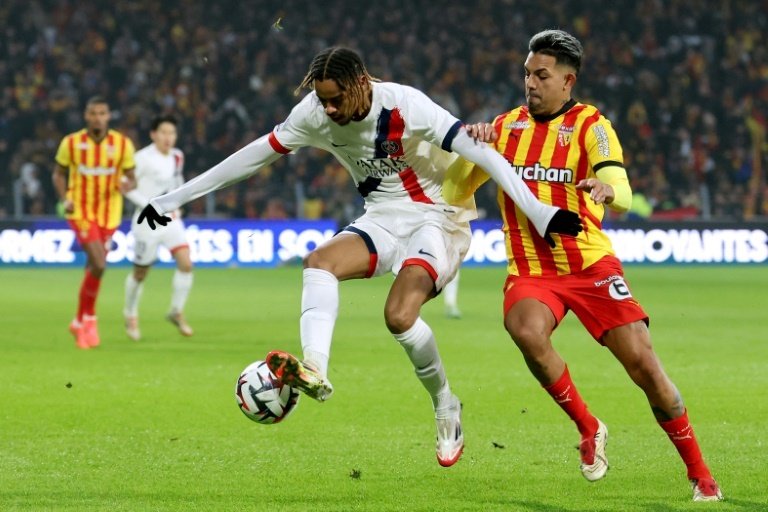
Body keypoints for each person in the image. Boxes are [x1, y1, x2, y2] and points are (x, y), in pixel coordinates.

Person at [138, 46, 582, 467]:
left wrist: (540, 212)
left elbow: (482, 152)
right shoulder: (313, 114)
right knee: (319, 264)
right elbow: (251, 157)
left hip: (437, 218)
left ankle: (445, 403)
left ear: (362, 84)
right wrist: (174, 197)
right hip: (383, 217)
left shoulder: (405, 105)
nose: (328, 109)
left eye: (335, 99)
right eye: (321, 99)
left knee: (399, 315)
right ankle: (315, 368)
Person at [446, 30, 722, 500]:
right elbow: (454, 192)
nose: (530, 83)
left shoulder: (592, 125)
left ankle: (700, 474)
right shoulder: (505, 128)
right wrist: (469, 148)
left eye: (541, 75)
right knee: (524, 328)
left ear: (567, 81)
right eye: (527, 74)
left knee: (645, 367)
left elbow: (624, 189)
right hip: (533, 270)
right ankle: (589, 427)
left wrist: (607, 190)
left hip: (591, 266)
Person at [52, 96, 136, 349]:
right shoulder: (72, 143)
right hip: (81, 211)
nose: (97, 117)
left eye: (102, 113)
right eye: (93, 113)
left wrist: (126, 185)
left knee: (93, 266)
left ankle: (78, 321)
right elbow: (58, 172)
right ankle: (89, 319)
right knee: (99, 263)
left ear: (108, 116)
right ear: (86, 116)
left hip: (109, 215)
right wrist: (64, 198)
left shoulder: (122, 144)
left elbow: (132, 178)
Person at [121, 115, 194, 341]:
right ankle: (130, 313)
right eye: (163, 132)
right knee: (141, 272)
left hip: (170, 219)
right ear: (153, 134)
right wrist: (149, 205)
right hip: (146, 221)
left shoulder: (177, 156)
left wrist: (178, 204)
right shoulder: (141, 158)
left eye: (171, 133)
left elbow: (177, 181)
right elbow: (125, 187)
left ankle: (176, 311)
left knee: (185, 263)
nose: (168, 137)